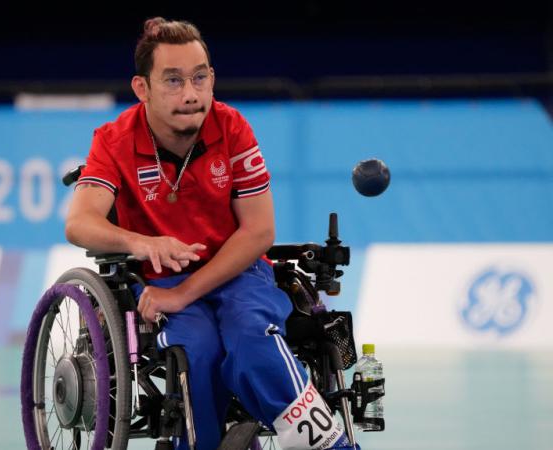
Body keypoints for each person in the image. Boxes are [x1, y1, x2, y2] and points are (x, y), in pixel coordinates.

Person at [65, 17, 357, 450]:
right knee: (195, 352)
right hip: (161, 280)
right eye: (174, 80)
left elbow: (259, 230)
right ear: (142, 88)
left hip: (238, 273)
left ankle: (331, 446)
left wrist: (187, 292)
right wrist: (142, 243)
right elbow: (80, 222)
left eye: (200, 78)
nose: (190, 93)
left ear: (212, 79)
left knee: (253, 340)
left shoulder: (232, 127)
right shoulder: (113, 140)